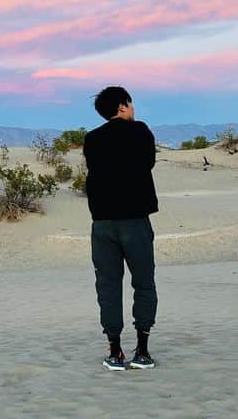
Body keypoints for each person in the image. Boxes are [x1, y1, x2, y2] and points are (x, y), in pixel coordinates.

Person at [83, 86, 159, 371]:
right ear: (124, 106)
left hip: (102, 224)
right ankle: (142, 350)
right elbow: (148, 163)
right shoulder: (140, 131)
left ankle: (115, 351)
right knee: (143, 282)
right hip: (135, 221)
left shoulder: (91, 139)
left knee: (108, 285)